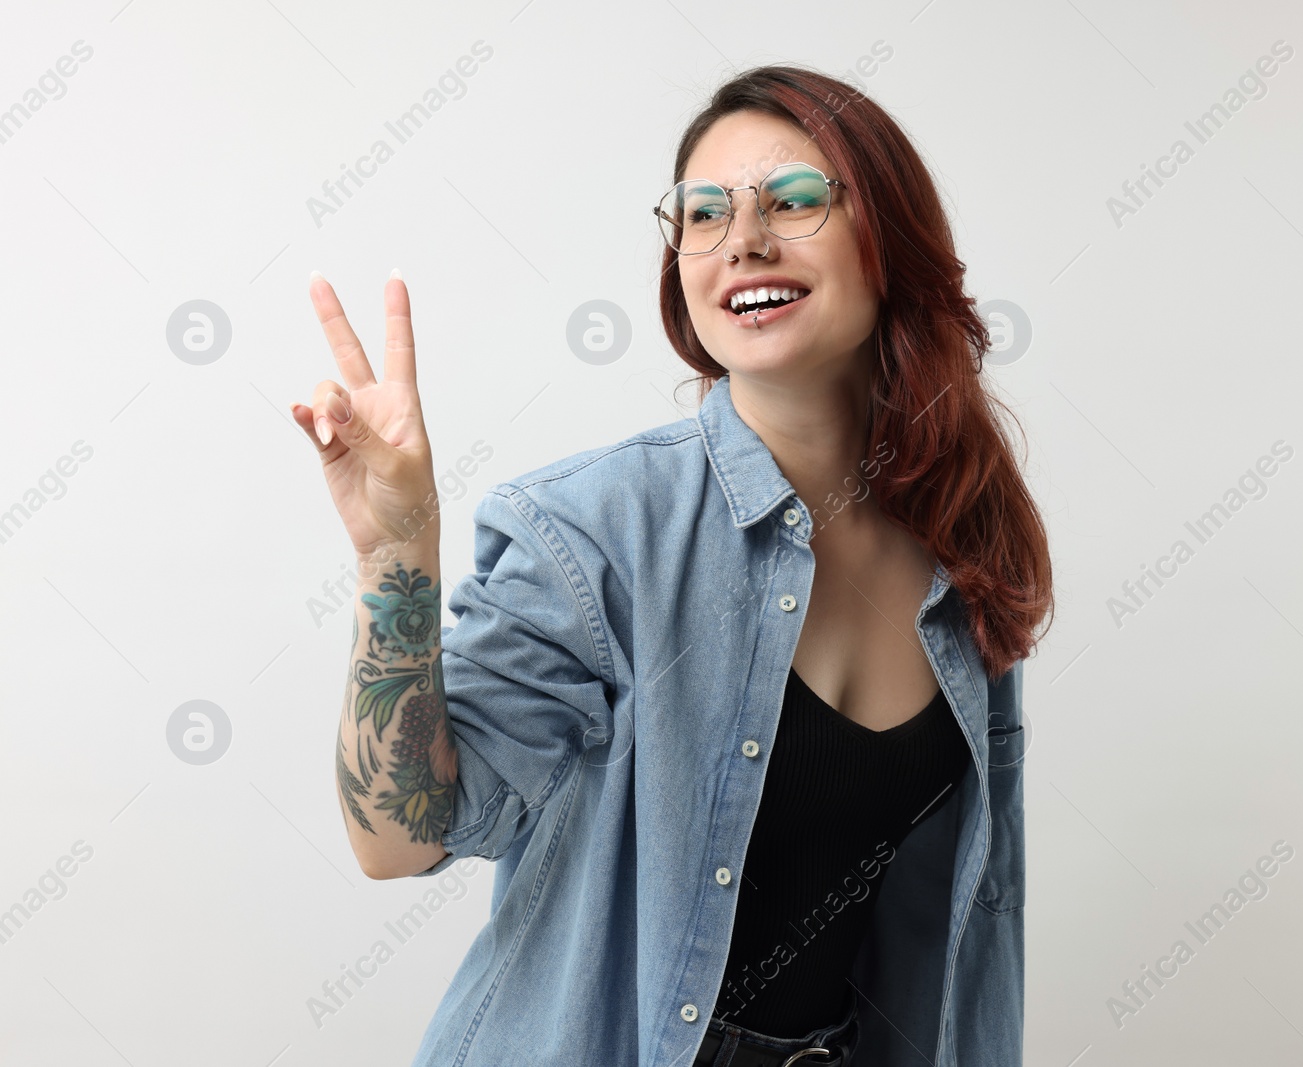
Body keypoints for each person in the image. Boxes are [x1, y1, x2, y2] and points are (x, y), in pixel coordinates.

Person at [291, 63, 1052, 1067]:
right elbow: (402, 837)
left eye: (792, 199)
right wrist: (396, 556)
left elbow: (958, 932)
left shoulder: (963, 543)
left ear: (890, 241)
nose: (742, 239)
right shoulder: (595, 529)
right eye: (702, 213)